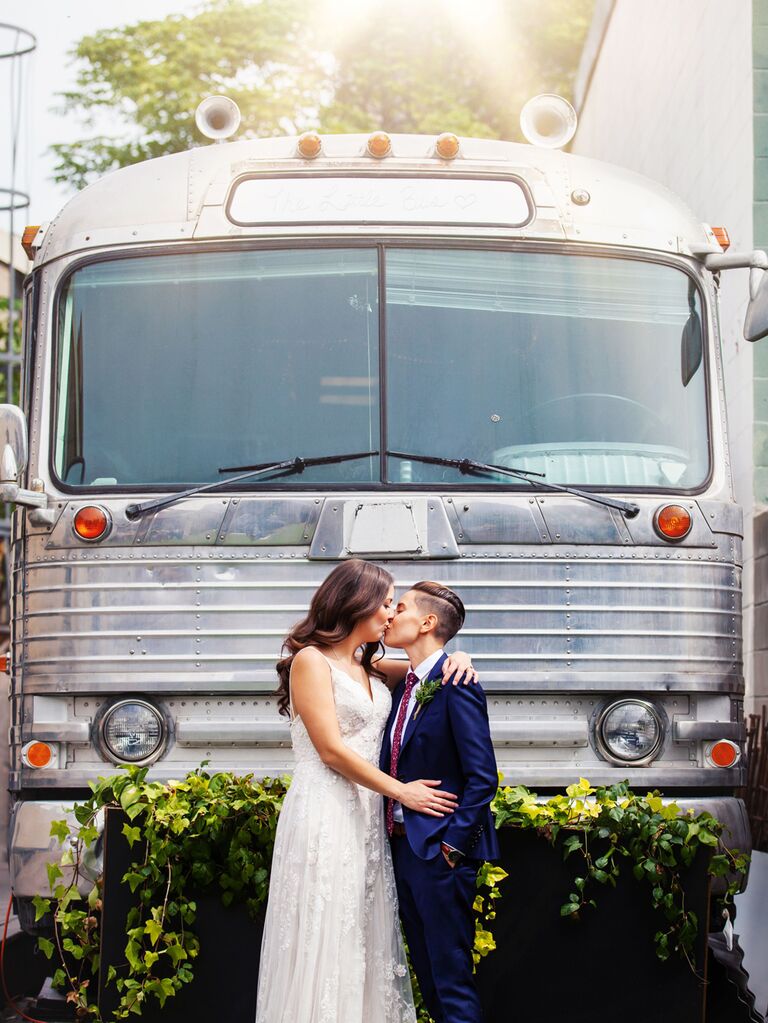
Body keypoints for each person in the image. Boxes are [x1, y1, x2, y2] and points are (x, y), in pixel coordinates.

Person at [254, 559, 477, 1023]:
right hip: (325, 811)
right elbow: (331, 751)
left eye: (396, 605)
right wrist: (404, 792)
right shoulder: (310, 661)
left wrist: (459, 657)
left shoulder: (368, 666)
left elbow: (426, 668)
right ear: (355, 604)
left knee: (360, 934)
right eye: (384, 602)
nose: (390, 614)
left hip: (365, 819)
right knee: (326, 931)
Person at [382, 581, 500, 1023]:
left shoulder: (456, 683)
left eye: (402, 607)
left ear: (428, 622)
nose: (391, 614)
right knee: (428, 977)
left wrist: (453, 847)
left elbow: (482, 777)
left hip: (439, 853)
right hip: (401, 847)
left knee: (450, 979)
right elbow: (360, 656)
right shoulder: (408, 684)